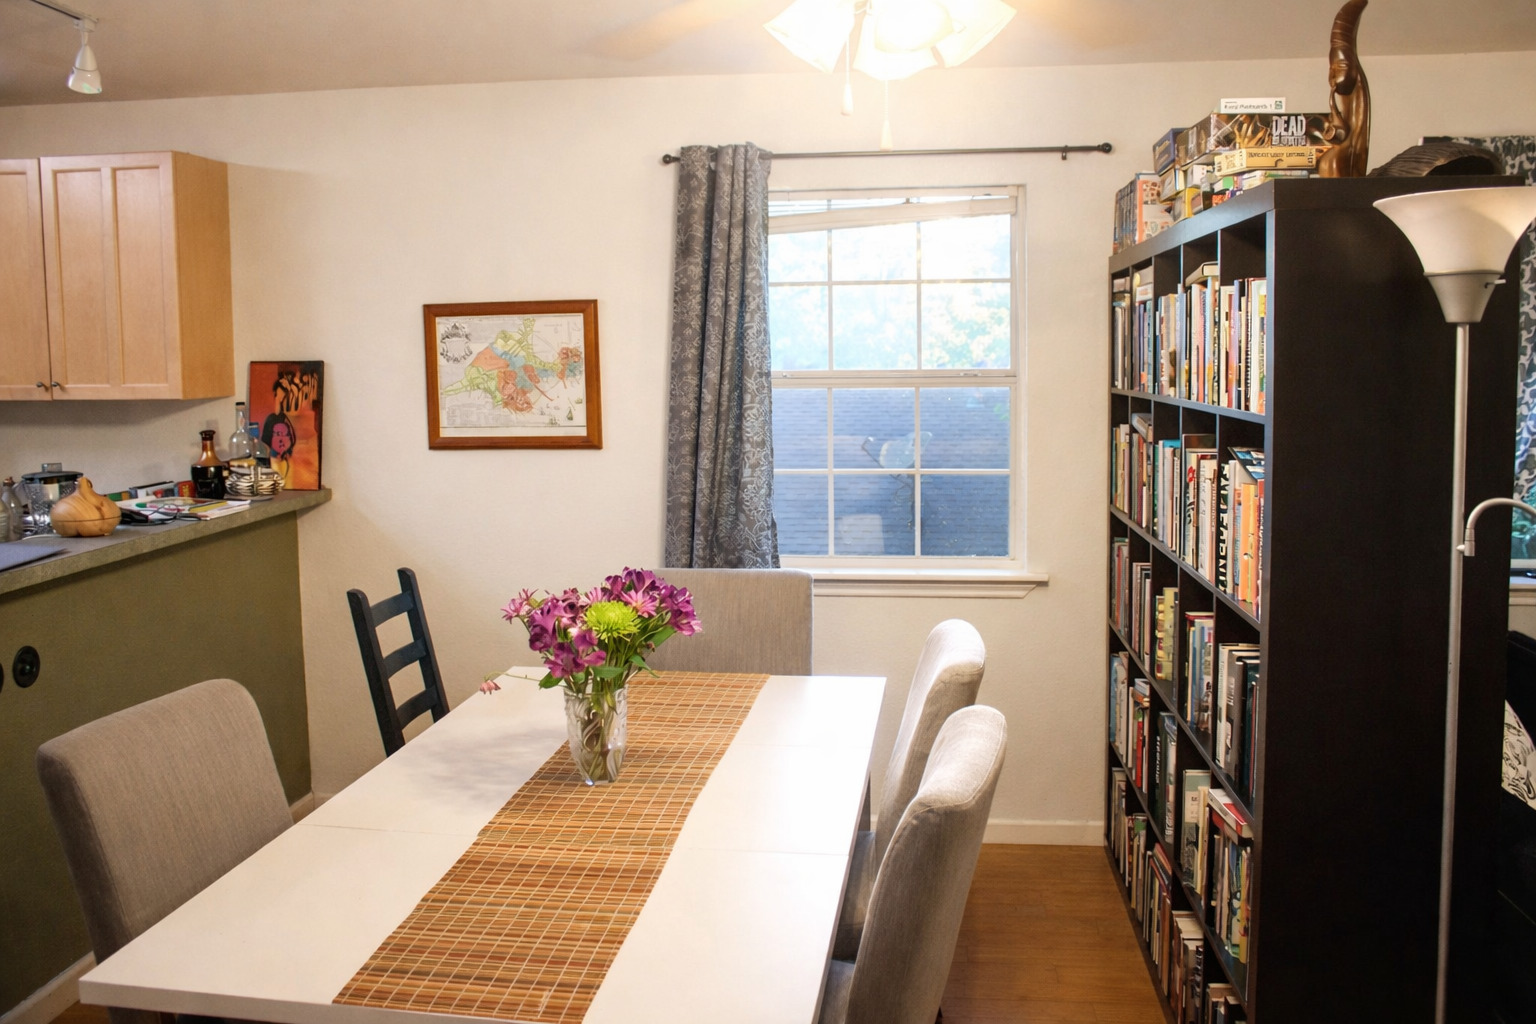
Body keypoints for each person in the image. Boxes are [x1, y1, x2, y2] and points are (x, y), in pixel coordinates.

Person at [262, 411, 297, 485]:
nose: (282, 439)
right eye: (278, 434)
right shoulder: (265, 463)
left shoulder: (290, 462)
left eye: (285, 435)